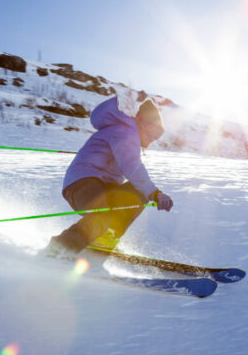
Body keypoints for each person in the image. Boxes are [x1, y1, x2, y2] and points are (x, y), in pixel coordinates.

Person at [43, 95, 173, 257]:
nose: (153, 139)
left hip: (102, 186)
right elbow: (132, 165)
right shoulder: (125, 132)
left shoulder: (127, 133)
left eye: (158, 135)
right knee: (102, 215)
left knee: (137, 192)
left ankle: (102, 242)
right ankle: (60, 249)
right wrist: (155, 192)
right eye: (153, 131)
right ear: (140, 121)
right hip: (82, 184)